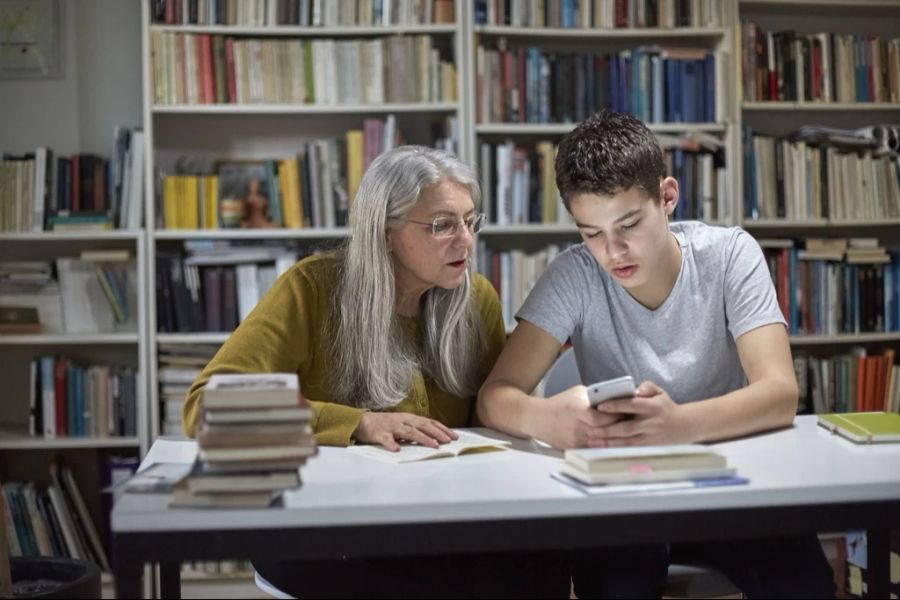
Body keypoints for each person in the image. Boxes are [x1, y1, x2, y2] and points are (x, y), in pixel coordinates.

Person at [477, 110, 836, 599]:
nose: (613, 252)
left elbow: (780, 394)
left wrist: (678, 426)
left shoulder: (732, 254)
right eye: (591, 232)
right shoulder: (575, 274)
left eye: (629, 224)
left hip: (731, 482)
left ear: (667, 197)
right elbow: (494, 396)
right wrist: (548, 420)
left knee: (805, 586)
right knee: (614, 586)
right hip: (625, 494)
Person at [182, 145, 569, 599]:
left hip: (438, 521)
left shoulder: (475, 297)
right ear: (386, 232)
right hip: (325, 525)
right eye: (443, 225)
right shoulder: (311, 289)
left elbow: (487, 419)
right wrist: (358, 423)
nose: (466, 241)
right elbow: (208, 404)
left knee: (543, 560)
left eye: (470, 220)